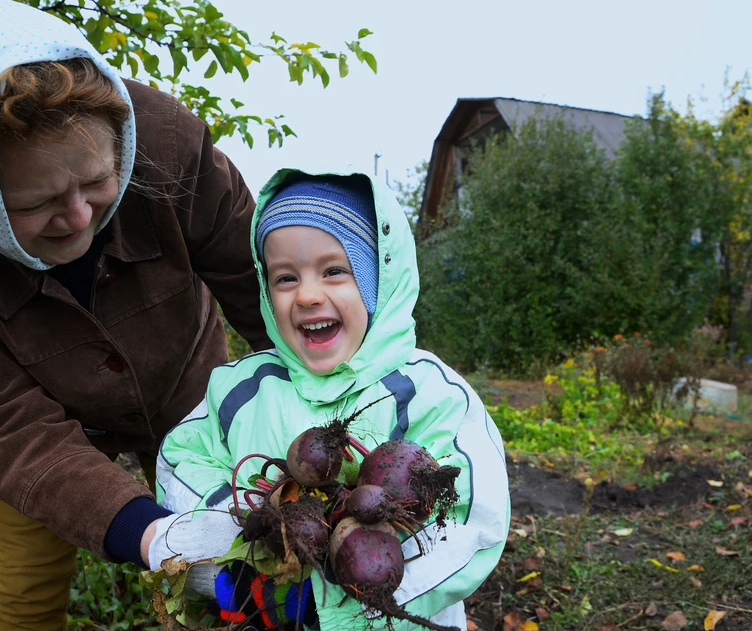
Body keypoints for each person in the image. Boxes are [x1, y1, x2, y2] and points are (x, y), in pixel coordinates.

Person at [0, 0, 271, 628]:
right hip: (40, 428)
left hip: (186, 391)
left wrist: (350, 394)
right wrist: (143, 531)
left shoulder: (168, 145)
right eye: (40, 203)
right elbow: (2, 424)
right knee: (27, 601)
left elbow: (265, 287)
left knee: (242, 587)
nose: (81, 217)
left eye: (95, 182)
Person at [149, 169, 510, 630]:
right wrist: (243, 553)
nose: (307, 295)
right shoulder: (241, 386)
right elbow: (181, 458)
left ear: (380, 279)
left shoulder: (433, 394)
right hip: (258, 613)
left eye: (334, 271)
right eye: (284, 278)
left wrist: (329, 608)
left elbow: (472, 523)